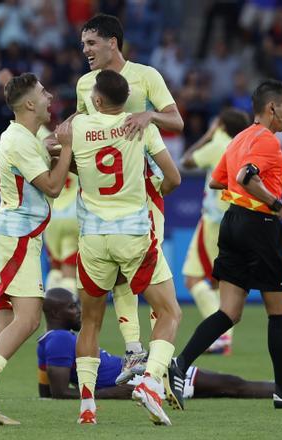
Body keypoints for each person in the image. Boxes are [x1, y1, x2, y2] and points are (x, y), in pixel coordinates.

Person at [170, 79, 282, 409]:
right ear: (271, 109)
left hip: (232, 223)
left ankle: (179, 365)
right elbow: (244, 177)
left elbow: (217, 180)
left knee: (228, 311)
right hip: (260, 228)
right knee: (279, 311)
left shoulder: (238, 138)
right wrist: (276, 204)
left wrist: (257, 195)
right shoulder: (267, 141)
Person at [64, 69, 181, 426]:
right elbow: (173, 178)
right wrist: (152, 192)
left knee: (90, 324)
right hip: (133, 233)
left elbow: (55, 151)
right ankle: (150, 382)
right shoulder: (143, 127)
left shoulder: (79, 127)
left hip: (93, 238)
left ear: (97, 99)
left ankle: (87, 407)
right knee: (170, 313)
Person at [75, 13, 185, 386]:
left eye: (91, 43)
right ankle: (137, 351)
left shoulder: (146, 76)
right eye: (84, 44)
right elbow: (83, 124)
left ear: (112, 42)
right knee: (122, 272)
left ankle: (154, 363)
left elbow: (177, 122)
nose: (85, 50)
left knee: (149, 275)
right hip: (104, 194)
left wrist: (148, 115)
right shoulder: (85, 84)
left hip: (144, 187)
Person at [0, 73, 73, 426]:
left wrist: (58, 148)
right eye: (43, 92)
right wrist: (67, 148)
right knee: (27, 320)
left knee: (4, 323)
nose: (49, 96)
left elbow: (45, 165)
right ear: (29, 104)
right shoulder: (21, 142)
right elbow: (53, 187)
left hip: (12, 235)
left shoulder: (24, 137)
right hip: (18, 236)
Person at [25, 289, 282, 408]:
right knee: (233, 385)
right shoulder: (60, 340)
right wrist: (119, 394)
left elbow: (45, 394)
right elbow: (60, 395)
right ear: (54, 313)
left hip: (141, 376)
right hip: (145, 380)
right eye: (72, 308)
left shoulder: (47, 342)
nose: (79, 311)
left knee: (229, 387)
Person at [180, 108, 251, 355]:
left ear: (220, 125)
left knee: (193, 279)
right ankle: (223, 336)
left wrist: (207, 135)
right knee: (221, 282)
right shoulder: (242, 147)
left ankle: (220, 336)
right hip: (237, 218)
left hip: (214, 221)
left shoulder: (218, 143)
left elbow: (186, 161)